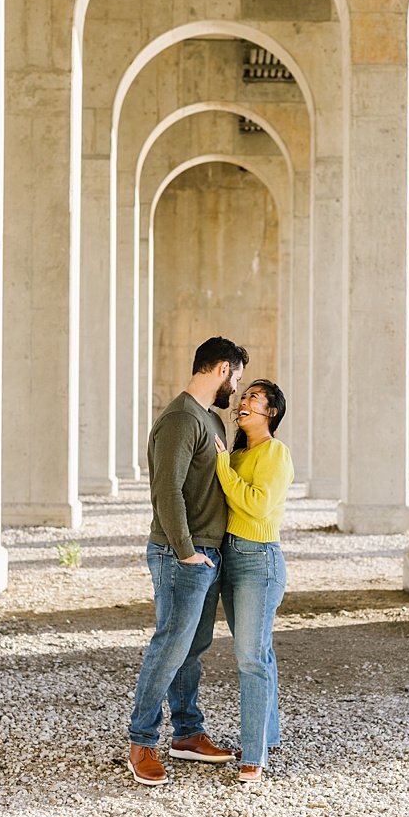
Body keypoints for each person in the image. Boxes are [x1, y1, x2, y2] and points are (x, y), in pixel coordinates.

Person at [127, 336, 249, 786]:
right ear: (220, 369)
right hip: (181, 554)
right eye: (234, 377)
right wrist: (184, 550)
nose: (234, 388)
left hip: (206, 554)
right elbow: (167, 490)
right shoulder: (181, 419)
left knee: (192, 649)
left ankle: (186, 733)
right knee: (170, 647)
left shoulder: (210, 421)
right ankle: (141, 741)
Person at [212, 380, 294, 783]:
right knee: (259, 651)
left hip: (259, 561)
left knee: (249, 657)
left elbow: (258, 506)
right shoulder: (240, 453)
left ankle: (254, 754)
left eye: (254, 398)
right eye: (244, 396)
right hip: (231, 558)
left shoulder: (276, 453)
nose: (243, 402)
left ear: (271, 413)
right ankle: (269, 733)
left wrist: (223, 468)